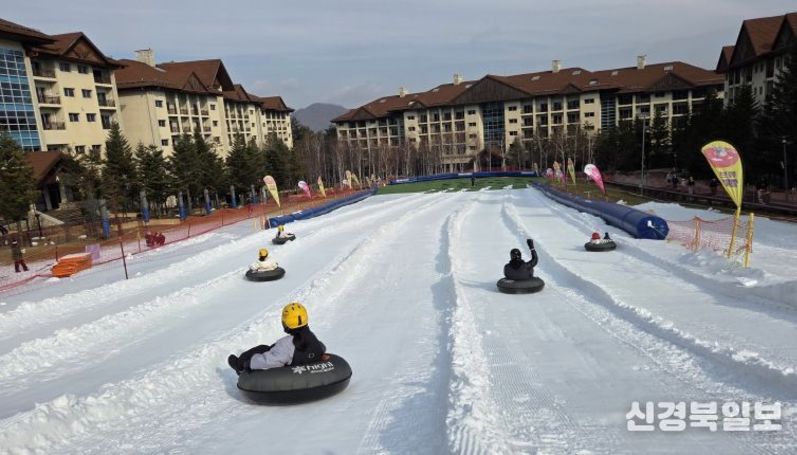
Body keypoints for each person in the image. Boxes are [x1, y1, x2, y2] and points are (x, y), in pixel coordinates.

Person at [228, 302, 326, 374]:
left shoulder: (286, 344)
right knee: (271, 347)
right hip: (300, 361)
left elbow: (269, 361)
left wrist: (249, 363)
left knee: (263, 348)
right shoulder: (311, 337)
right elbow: (319, 348)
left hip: (289, 371)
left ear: (286, 323)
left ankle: (239, 364)